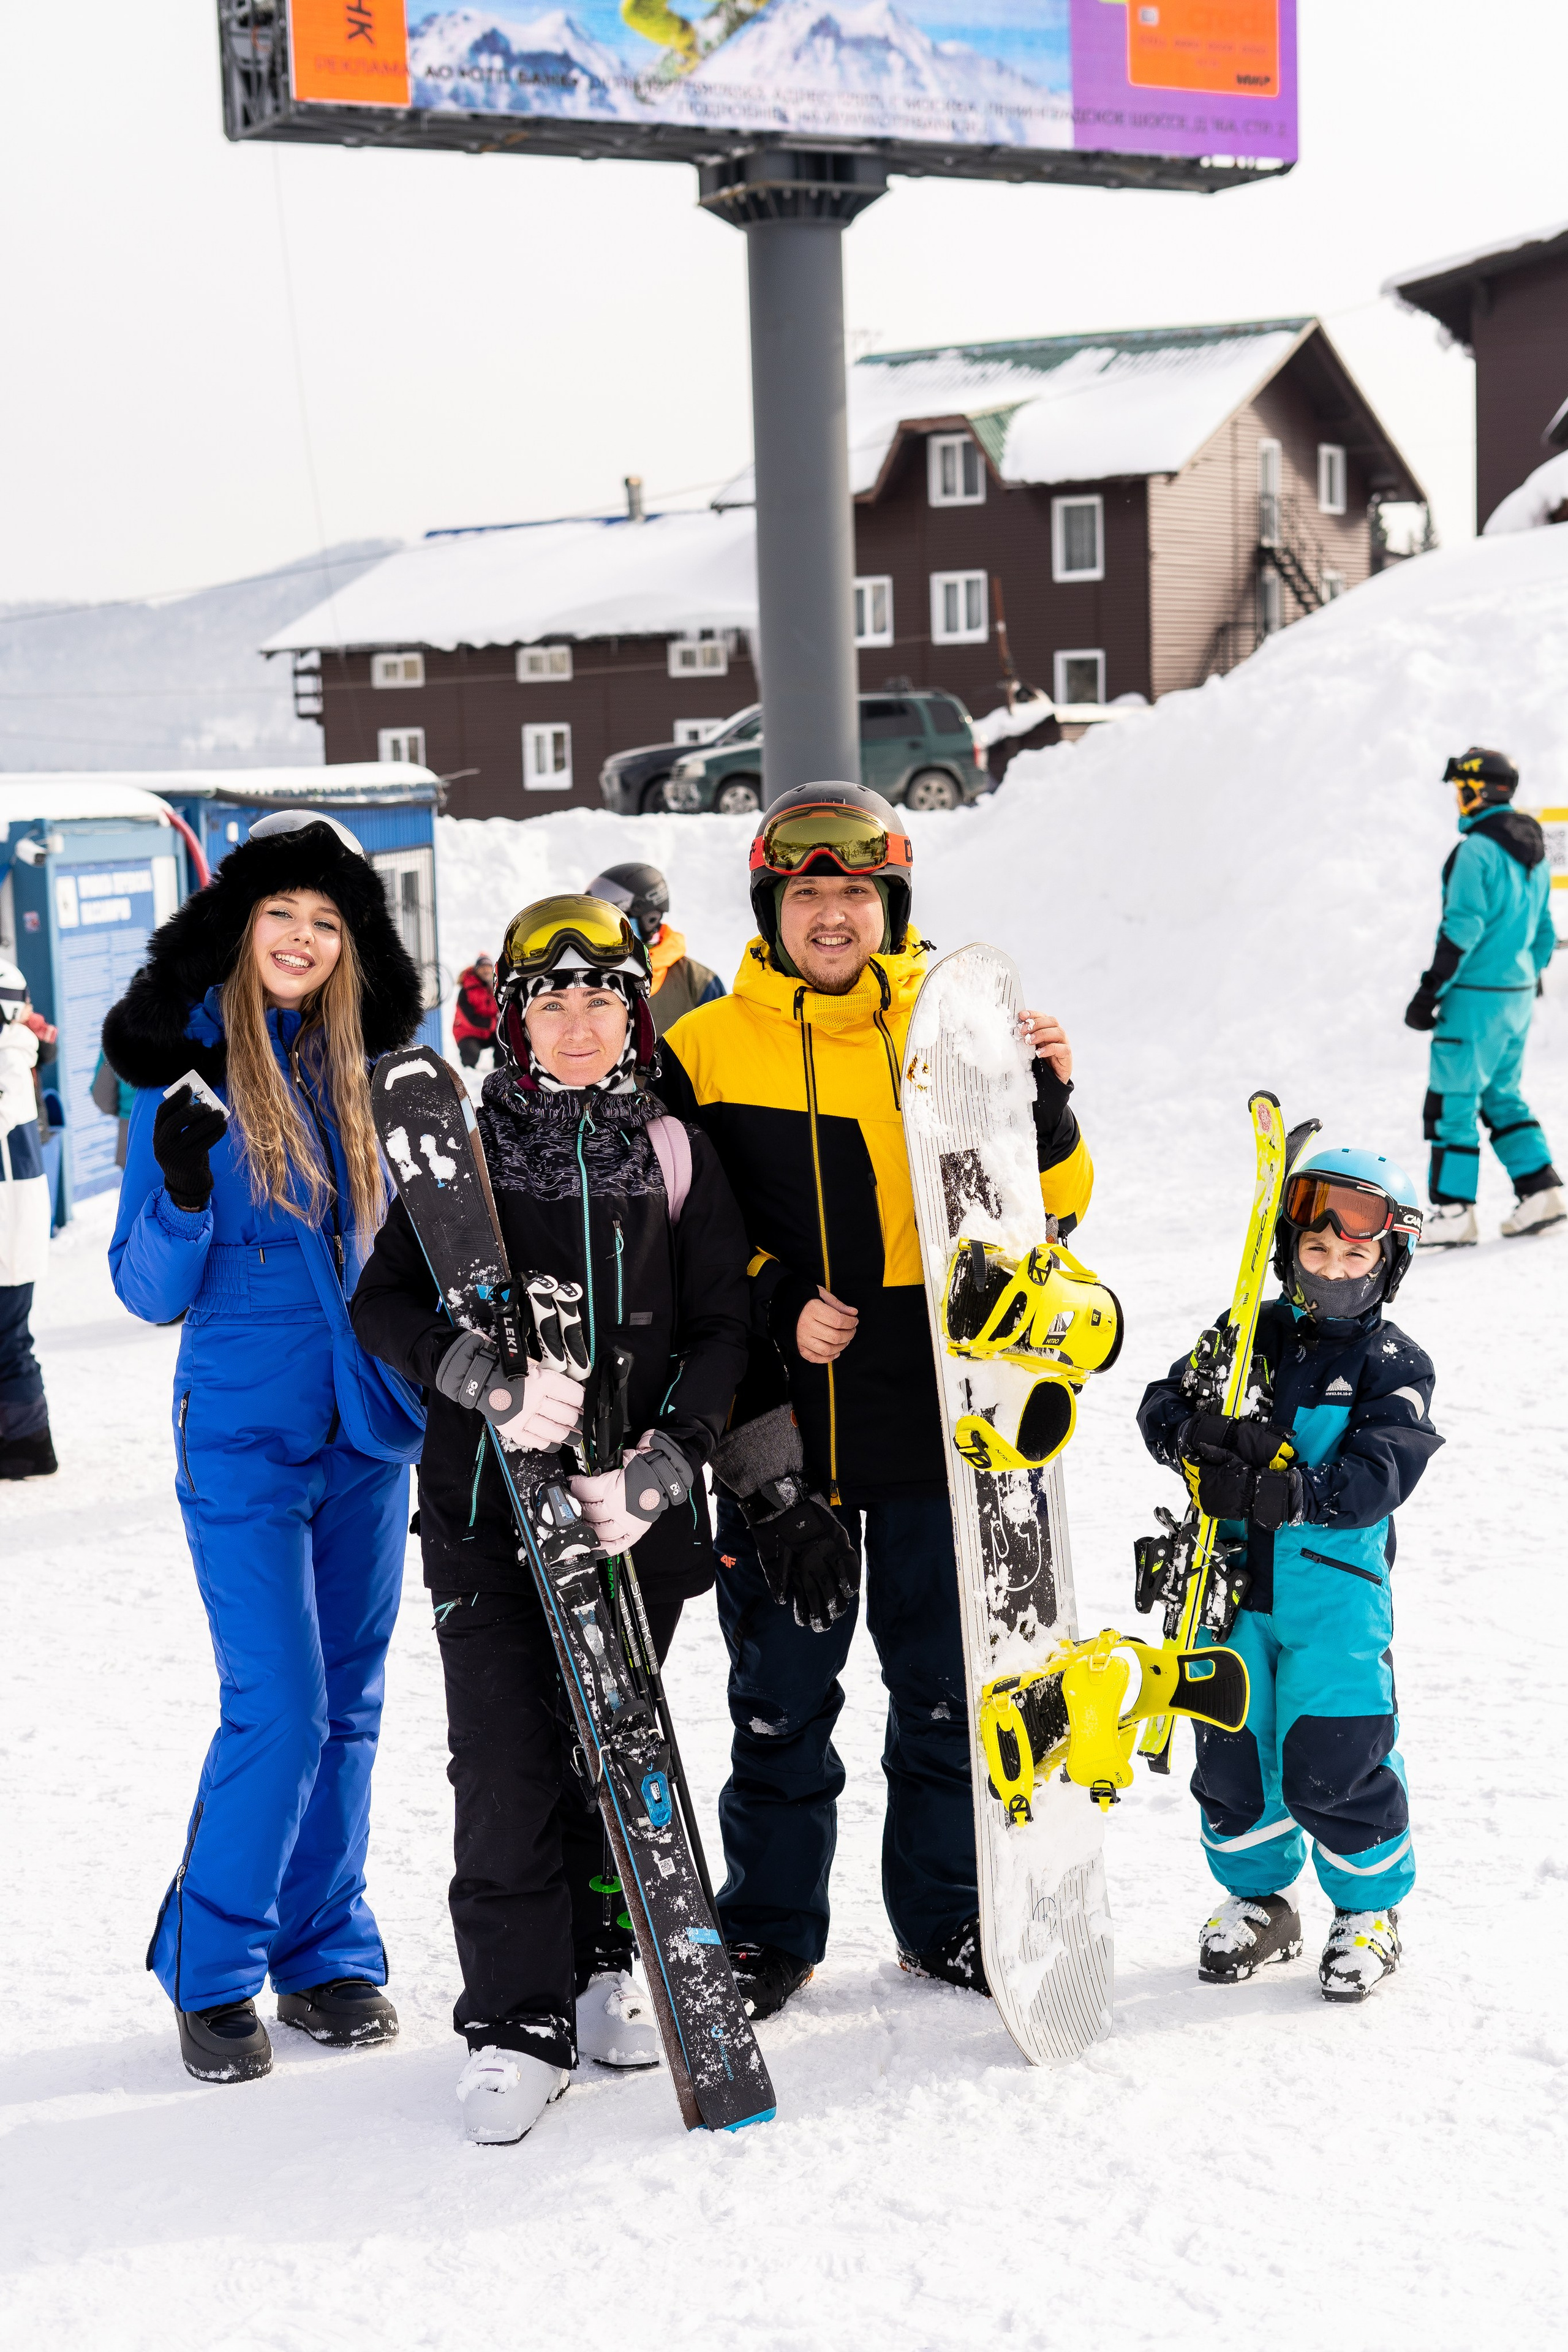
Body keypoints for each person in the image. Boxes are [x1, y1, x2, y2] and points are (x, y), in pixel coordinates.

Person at [651, 782, 1091, 2019]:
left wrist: (1045, 1104)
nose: (832, 914)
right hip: (776, 1423)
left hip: (929, 1419)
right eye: (807, 893)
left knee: (942, 1696)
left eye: (856, 892)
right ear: (770, 906)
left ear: (889, 904)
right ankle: (769, 1930)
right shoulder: (703, 1048)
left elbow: (1047, 1213)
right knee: (779, 1702)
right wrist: (777, 1289)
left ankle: (942, 1918)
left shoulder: (951, 1031)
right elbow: (676, 1240)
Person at [350, 892, 750, 2145]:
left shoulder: (675, 1149)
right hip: (485, 1516)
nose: (576, 1022)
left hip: (629, 1524)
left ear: (634, 1012)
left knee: (612, 1751)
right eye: (550, 999)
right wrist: (481, 1383)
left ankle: (596, 1970)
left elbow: (723, 1328)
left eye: (599, 998)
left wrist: (664, 1467)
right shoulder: (458, 1151)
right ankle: (512, 2019)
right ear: (515, 1019)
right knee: (507, 1766)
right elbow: (384, 1308)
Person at [104, 810, 426, 2086]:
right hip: (240, 1432)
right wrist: (183, 1193)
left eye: (327, 921)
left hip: (366, 1426)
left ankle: (323, 1943)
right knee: (280, 1706)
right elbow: (143, 1287)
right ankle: (214, 1963)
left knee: (351, 1706)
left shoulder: (377, 1075)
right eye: (281, 914)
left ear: (351, 947)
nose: (301, 937)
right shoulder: (184, 1070)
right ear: (241, 931)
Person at [1137, 1137, 1442, 2002]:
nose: (1334, 1268)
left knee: (1333, 1754)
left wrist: (1285, 1489)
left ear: (1390, 1263)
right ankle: (1259, 1901)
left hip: (1333, 1602)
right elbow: (1161, 1403)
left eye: (1355, 1254)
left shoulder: (1394, 1366)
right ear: (1286, 1252)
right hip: (1225, 1590)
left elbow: (1381, 1474)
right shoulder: (1248, 1336)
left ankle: (1368, 1910)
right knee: (1233, 1754)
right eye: (1316, 1250)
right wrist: (1193, 1436)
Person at [1404, 747, 1561, 1245]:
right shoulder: (1531, 851)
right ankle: (1542, 1192)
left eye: (1460, 790)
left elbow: (1462, 928)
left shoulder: (1475, 851)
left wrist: (1430, 992)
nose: (1457, 800)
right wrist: (1520, 977)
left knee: (1452, 1100)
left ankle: (1454, 1213)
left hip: (1474, 997)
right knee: (1502, 1095)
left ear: (1479, 790)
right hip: (1516, 996)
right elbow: (1543, 932)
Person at [0, 960, 56, 1480]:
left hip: (9, 1222)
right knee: (10, 1337)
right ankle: (25, 1442)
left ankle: (28, 1445)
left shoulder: (9, 1059)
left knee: (9, 1339)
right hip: (16, 1218)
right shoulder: (16, 1052)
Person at [585, 862, 724, 1039]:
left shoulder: (699, 984)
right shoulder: (585, 975)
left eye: (613, 922)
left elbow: (722, 1051)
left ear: (650, 918)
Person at [452, 953, 499, 1070]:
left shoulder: (497, 987)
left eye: (488, 967)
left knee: (508, 1040)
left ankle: (502, 1069)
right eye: (482, 968)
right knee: (470, 1051)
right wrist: (494, 1023)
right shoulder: (466, 990)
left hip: (491, 1032)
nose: (486, 971)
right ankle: (468, 1073)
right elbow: (469, 1018)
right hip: (469, 1032)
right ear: (476, 970)